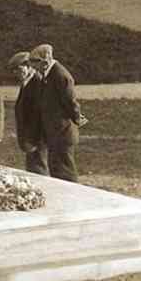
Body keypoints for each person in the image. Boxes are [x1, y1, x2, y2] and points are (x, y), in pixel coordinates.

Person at [28, 44, 87, 183]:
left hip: (62, 132)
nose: (34, 68)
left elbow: (70, 102)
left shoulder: (60, 75)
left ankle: (72, 198)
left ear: (45, 61)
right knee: (56, 169)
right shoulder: (48, 74)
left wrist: (77, 117)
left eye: (35, 64)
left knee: (65, 171)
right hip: (55, 132)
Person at [8, 51, 48, 176]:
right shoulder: (26, 82)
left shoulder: (38, 83)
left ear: (29, 66)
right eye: (14, 71)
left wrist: (33, 140)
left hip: (36, 138)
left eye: (19, 69)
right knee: (32, 168)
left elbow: (39, 115)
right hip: (29, 137)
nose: (16, 74)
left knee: (39, 169)